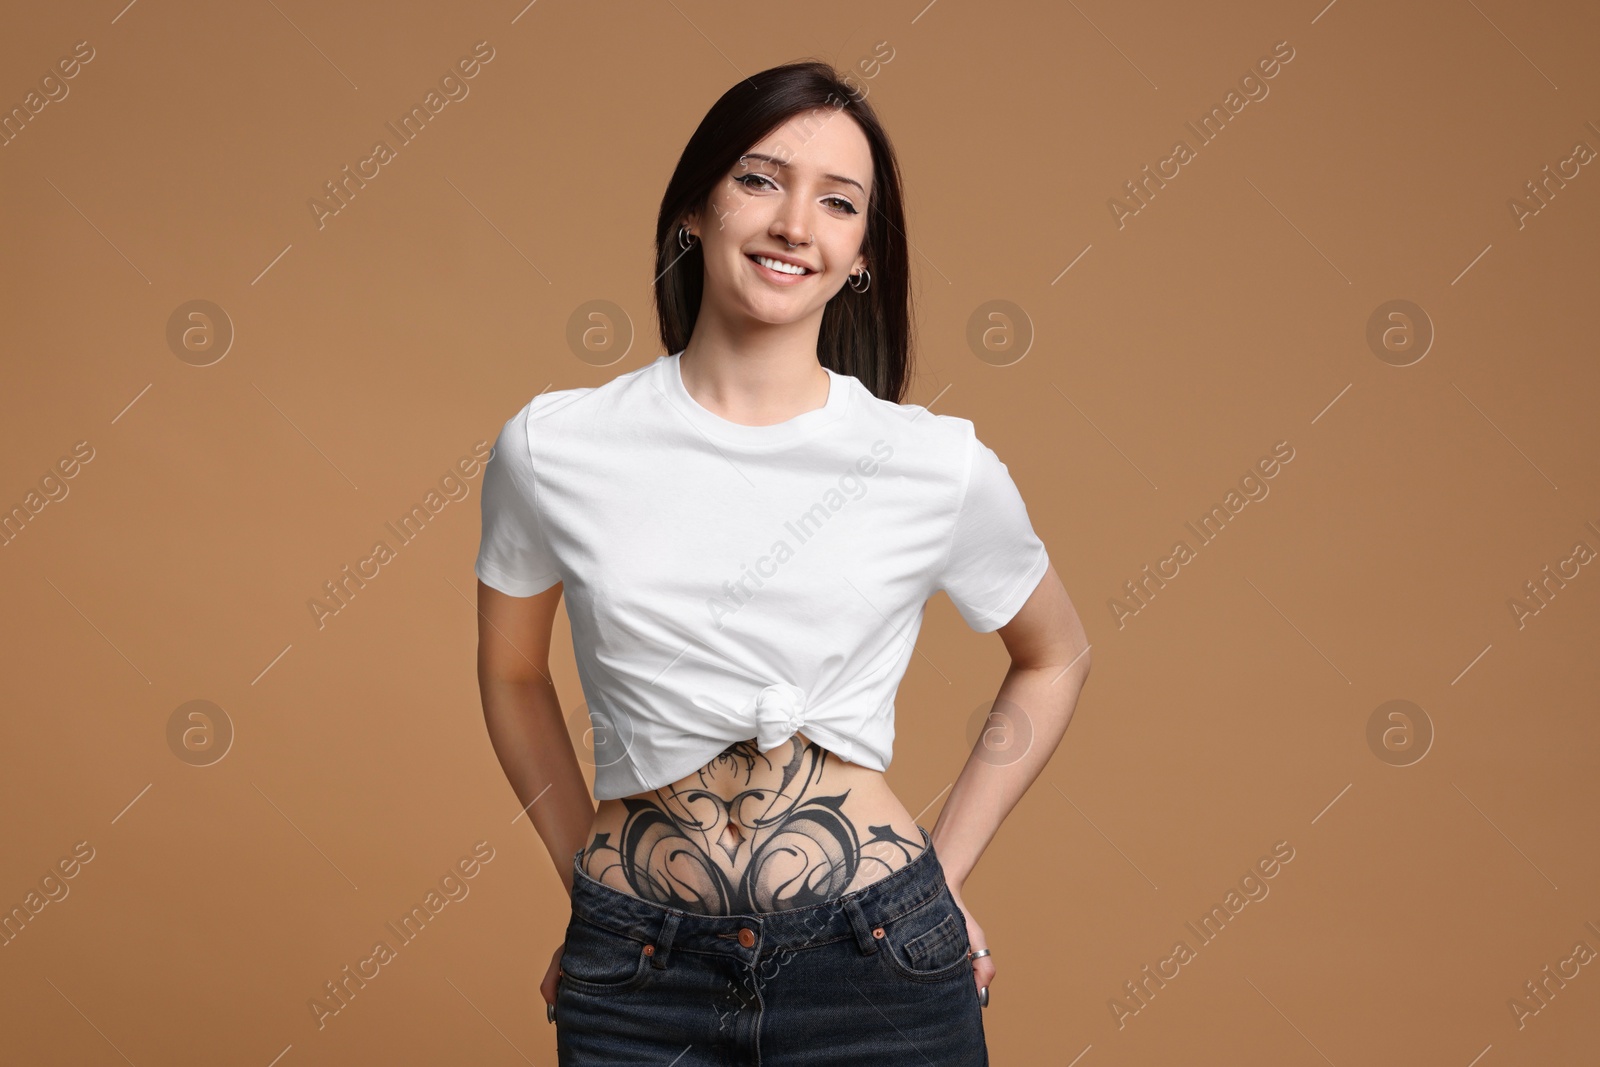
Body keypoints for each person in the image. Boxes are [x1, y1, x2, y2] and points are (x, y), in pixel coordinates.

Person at [475, 59, 1090, 1066]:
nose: (794, 222)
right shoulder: (554, 446)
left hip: (877, 963)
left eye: (837, 202)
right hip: (636, 974)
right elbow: (509, 673)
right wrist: (586, 889)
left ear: (858, 255)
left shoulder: (932, 461)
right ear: (692, 210)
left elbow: (1054, 653)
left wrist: (945, 878)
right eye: (760, 179)